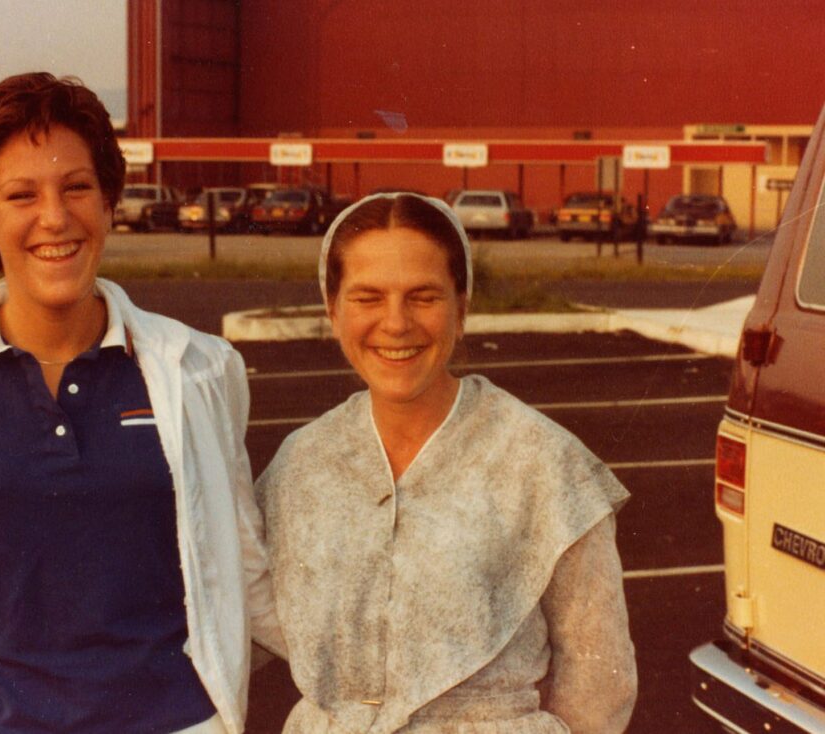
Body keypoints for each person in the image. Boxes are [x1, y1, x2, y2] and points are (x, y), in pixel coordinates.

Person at [0, 72, 281, 734]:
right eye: (21, 195)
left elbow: (244, 568)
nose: (55, 218)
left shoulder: (200, 370)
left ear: (109, 200)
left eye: (77, 188)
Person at [256, 193, 637, 733]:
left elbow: (600, 682)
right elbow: (242, 624)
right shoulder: (301, 464)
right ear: (332, 309)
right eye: (367, 297)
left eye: (423, 296)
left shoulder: (543, 462)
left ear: (462, 308)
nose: (396, 323)